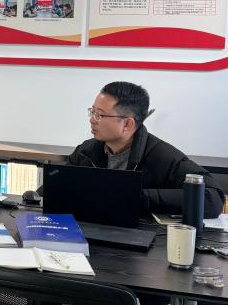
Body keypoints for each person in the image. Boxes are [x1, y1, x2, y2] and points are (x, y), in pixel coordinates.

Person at [71, 82, 224, 218]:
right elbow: (59, 188)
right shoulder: (85, 151)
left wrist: (139, 197)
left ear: (127, 124)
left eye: (99, 115)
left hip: (137, 234)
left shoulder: (162, 156)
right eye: (92, 112)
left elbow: (212, 198)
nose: (92, 120)